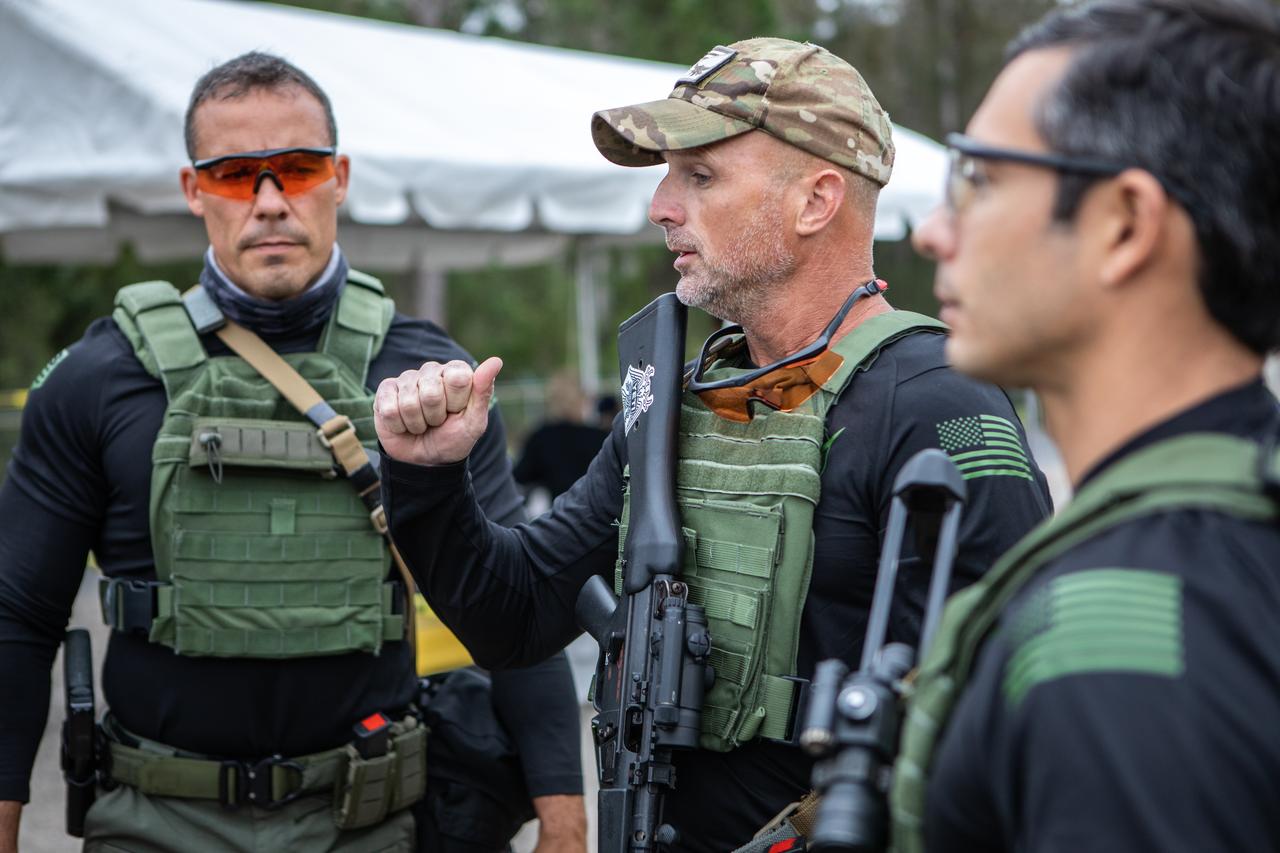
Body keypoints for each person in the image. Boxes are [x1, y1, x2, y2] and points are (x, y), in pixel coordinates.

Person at [374, 38, 1054, 852]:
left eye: (699, 176)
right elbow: (515, 615)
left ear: (815, 201)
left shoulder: (936, 401)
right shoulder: (675, 400)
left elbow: (1019, 721)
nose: (661, 204)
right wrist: (428, 477)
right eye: (668, 175)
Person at [0, 52, 585, 853]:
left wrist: (564, 819)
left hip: (369, 819)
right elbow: (20, 615)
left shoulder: (424, 373)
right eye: (236, 173)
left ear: (339, 177)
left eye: (298, 168)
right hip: (155, 821)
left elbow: (508, 600)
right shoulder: (99, 376)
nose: (270, 200)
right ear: (193, 190)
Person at [893, 2, 1280, 851]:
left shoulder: (1119, 638)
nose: (932, 232)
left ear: (1125, 224)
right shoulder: (1234, 535)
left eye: (980, 179)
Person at [513, 370, 612, 501]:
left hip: (559, 512)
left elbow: (521, 476)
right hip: (597, 512)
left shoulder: (541, 437)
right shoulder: (599, 437)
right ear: (581, 399)